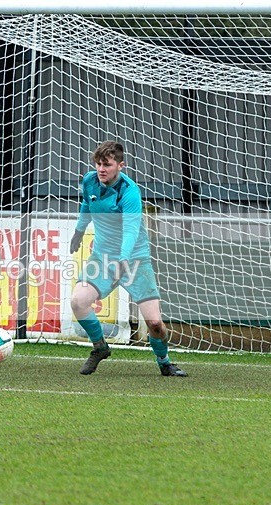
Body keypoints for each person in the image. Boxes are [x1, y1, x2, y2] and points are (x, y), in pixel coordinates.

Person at [69, 141, 187, 377]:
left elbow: (131, 230)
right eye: (98, 164)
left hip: (134, 259)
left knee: (155, 324)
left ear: (120, 166)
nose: (101, 169)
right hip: (103, 258)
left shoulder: (130, 192)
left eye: (107, 165)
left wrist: (123, 259)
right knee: (78, 301)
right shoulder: (90, 180)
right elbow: (86, 204)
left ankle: (164, 362)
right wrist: (79, 232)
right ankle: (100, 347)